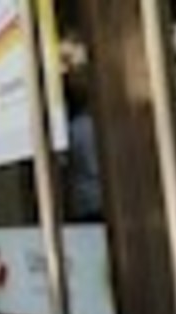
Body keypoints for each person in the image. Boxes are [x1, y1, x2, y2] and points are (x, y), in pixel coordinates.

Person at [63, 74, 103, 222]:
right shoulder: (97, 126)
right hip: (99, 195)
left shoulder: (71, 131)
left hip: (84, 199)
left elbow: (64, 165)